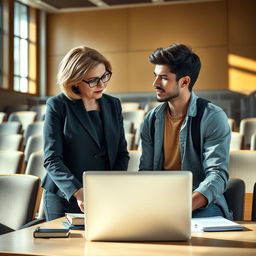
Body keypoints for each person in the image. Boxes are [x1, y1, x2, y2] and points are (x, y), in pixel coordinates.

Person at [139, 43, 233, 219]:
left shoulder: (213, 117)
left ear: (184, 81)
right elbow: (145, 172)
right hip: (161, 203)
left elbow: (217, 175)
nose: (155, 83)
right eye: (155, 76)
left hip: (199, 205)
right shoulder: (151, 120)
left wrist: (183, 206)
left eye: (163, 78)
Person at [42, 46, 129, 221]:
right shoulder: (58, 105)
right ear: (74, 81)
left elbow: (121, 154)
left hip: (103, 195)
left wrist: (110, 187)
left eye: (104, 76)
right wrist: (78, 192)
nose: (102, 84)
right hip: (65, 196)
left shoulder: (113, 104)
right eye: (93, 80)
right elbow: (51, 159)